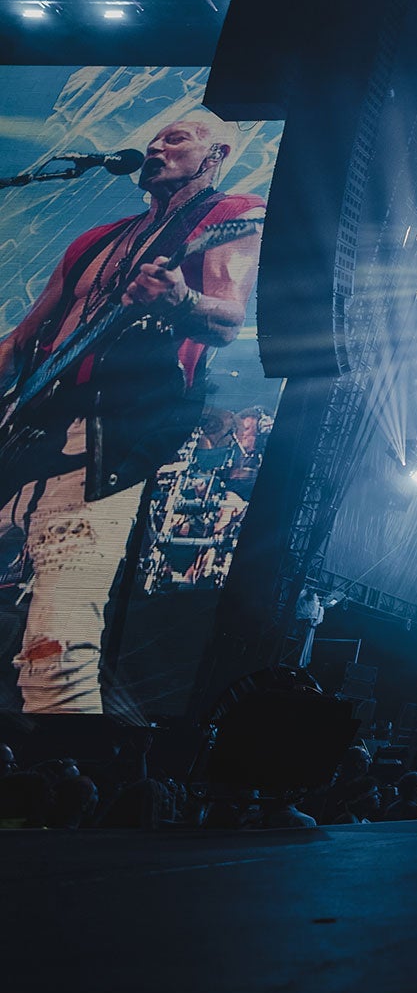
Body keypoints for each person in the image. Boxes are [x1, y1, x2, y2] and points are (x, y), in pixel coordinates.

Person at [0, 113, 263, 714]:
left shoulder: (232, 214)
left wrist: (179, 298)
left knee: (57, 651)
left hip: (100, 443)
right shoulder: (94, 241)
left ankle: (69, 772)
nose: (155, 146)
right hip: (26, 432)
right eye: (154, 139)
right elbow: (22, 341)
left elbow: (226, 319)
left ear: (215, 155)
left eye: (175, 138)